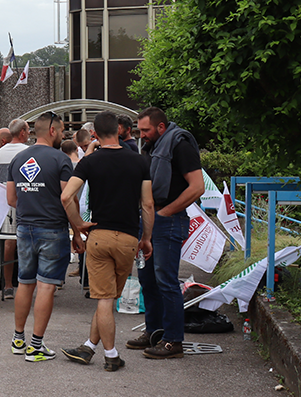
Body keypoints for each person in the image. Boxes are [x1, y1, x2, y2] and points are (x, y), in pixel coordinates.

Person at [59, 112, 154, 371]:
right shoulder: (140, 162)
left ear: (95, 135)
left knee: (104, 298)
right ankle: (88, 347)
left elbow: (66, 197)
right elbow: (147, 204)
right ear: (120, 131)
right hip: (128, 238)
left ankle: (111, 355)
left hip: (98, 236)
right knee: (108, 296)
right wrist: (146, 238)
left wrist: (77, 225)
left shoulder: (89, 162)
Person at [130, 106, 204, 359]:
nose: (142, 135)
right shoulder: (152, 147)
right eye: (139, 130)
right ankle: (154, 332)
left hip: (167, 221)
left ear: (161, 127)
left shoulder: (179, 144)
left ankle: (173, 341)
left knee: (166, 280)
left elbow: (197, 187)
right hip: (149, 217)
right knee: (147, 280)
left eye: (146, 130)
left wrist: (164, 213)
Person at [6, 112, 72, 361]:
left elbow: (11, 199)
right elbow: (68, 199)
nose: (64, 134)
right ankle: (36, 346)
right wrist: (77, 229)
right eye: (63, 129)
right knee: (46, 286)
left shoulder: (18, 159)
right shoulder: (61, 160)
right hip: (52, 228)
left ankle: (18, 339)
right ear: (53, 130)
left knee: (25, 282)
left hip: (24, 228)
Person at [0, 119, 30, 300]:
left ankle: (8, 285)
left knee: (8, 244)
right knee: (30, 242)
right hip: (26, 200)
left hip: (6, 202)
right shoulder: (29, 151)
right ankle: (28, 283)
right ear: (22, 132)